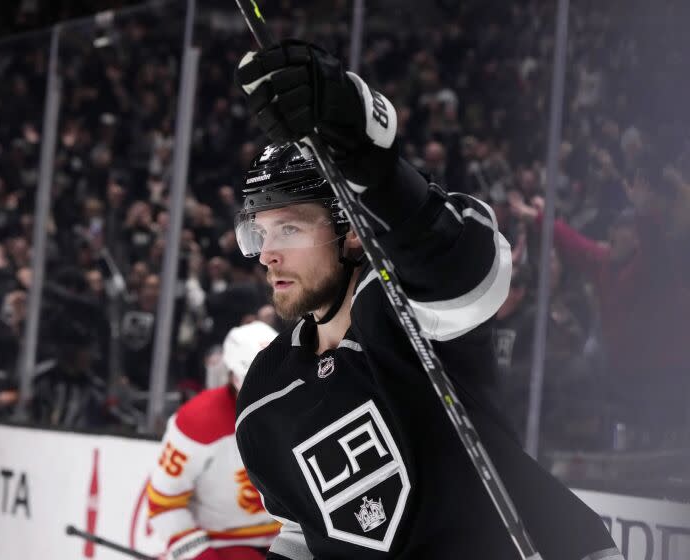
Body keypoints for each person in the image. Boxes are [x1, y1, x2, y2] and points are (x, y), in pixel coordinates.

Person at [232, 41, 621, 559]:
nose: (268, 255)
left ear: (349, 231)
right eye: (259, 234)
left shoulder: (405, 306)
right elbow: (303, 533)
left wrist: (367, 160)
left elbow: (464, 267)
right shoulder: (264, 391)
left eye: (288, 228)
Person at [146, 321, 281, 560]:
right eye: (256, 378)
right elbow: (163, 504)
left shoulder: (302, 404)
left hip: (290, 540)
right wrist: (198, 555)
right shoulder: (197, 422)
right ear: (233, 376)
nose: (268, 389)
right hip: (223, 543)